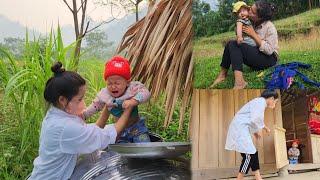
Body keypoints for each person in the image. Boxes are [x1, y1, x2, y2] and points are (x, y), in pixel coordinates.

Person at [28, 62, 133, 180]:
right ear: (62, 100)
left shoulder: (57, 114)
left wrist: (107, 109)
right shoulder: (64, 127)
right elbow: (105, 136)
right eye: (80, 99)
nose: (83, 104)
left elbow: (92, 133)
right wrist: (129, 109)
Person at [82, 56, 151, 143]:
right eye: (109, 83)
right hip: (119, 131)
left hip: (137, 128)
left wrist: (133, 101)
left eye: (117, 83)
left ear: (127, 82)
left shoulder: (132, 88)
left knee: (144, 146)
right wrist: (84, 115)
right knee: (120, 152)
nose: (113, 86)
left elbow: (146, 93)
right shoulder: (105, 94)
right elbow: (95, 105)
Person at [211, 1, 279, 89]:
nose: (249, 11)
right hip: (257, 54)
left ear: (259, 17)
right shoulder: (250, 21)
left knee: (234, 44)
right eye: (250, 8)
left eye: (252, 12)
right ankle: (222, 75)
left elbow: (269, 51)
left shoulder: (270, 27)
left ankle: (239, 82)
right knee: (230, 43)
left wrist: (253, 34)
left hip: (269, 59)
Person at [225, 89, 279, 180]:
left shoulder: (259, 102)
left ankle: (258, 177)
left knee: (252, 152)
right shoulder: (260, 102)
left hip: (241, 128)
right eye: (275, 101)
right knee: (249, 155)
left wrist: (255, 131)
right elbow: (256, 118)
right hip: (239, 129)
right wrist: (264, 128)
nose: (275, 103)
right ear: (272, 98)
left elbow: (252, 119)